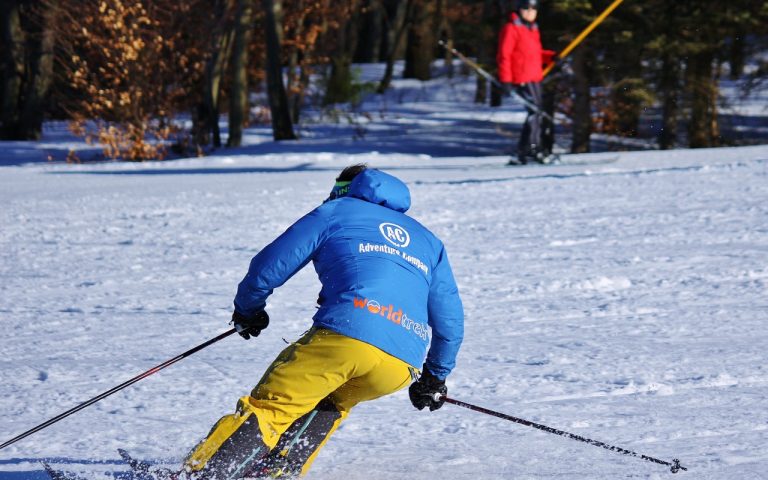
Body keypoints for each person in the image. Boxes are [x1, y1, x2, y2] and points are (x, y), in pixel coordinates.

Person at [179, 164, 464, 479]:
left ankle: (203, 474)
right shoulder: (429, 241)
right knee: (328, 401)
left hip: (344, 339)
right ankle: (275, 472)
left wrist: (248, 308)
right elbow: (450, 321)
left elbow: (269, 265)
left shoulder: (337, 211)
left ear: (345, 187)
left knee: (270, 409)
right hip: (399, 364)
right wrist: (434, 377)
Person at [497, 0, 557, 165]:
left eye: (533, 8)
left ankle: (523, 151)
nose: (530, 12)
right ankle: (532, 148)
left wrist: (550, 57)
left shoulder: (532, 29)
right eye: (526, 8)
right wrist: (506, 80)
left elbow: (535, 53)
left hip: (535, 77)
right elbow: (504, 55)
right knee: (535, 112)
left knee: (536, 112)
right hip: (521, 77)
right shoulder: (512, 28)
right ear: (519, 9)